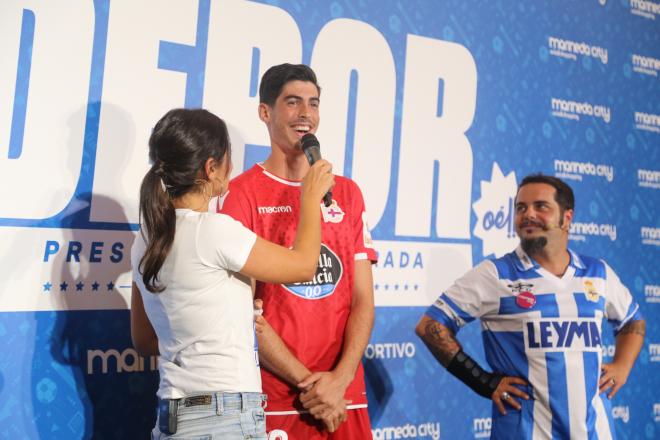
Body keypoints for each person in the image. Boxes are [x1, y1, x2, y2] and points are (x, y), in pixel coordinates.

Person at [130, 108, 334, 439]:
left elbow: (144, 340)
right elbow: (304, 266)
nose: (233, 168)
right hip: (221, 416)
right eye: (228, 158)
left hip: (172, 416)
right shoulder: (214, 230)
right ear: (211, 168)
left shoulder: (143, 240)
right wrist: (309, 198)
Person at [416, 174, 645, 439]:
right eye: (521, 208)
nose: (528, 214)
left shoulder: (597, 272)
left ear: (567, 218)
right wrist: (483, 381)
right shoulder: (496, 274)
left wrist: (622, 366)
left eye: (541, 206)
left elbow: (632, 320)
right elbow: (430, 326)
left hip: (596, 432)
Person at [218, 63, 377, 439]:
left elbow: (363, 301)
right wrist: (311, 384)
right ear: (265, 112)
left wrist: (339, 380)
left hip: (344, 395)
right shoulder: (242, 194)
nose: (306, 114)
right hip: (282, 397)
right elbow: (246, 313)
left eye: (314, 103)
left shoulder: (347, 193)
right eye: (293, 102)